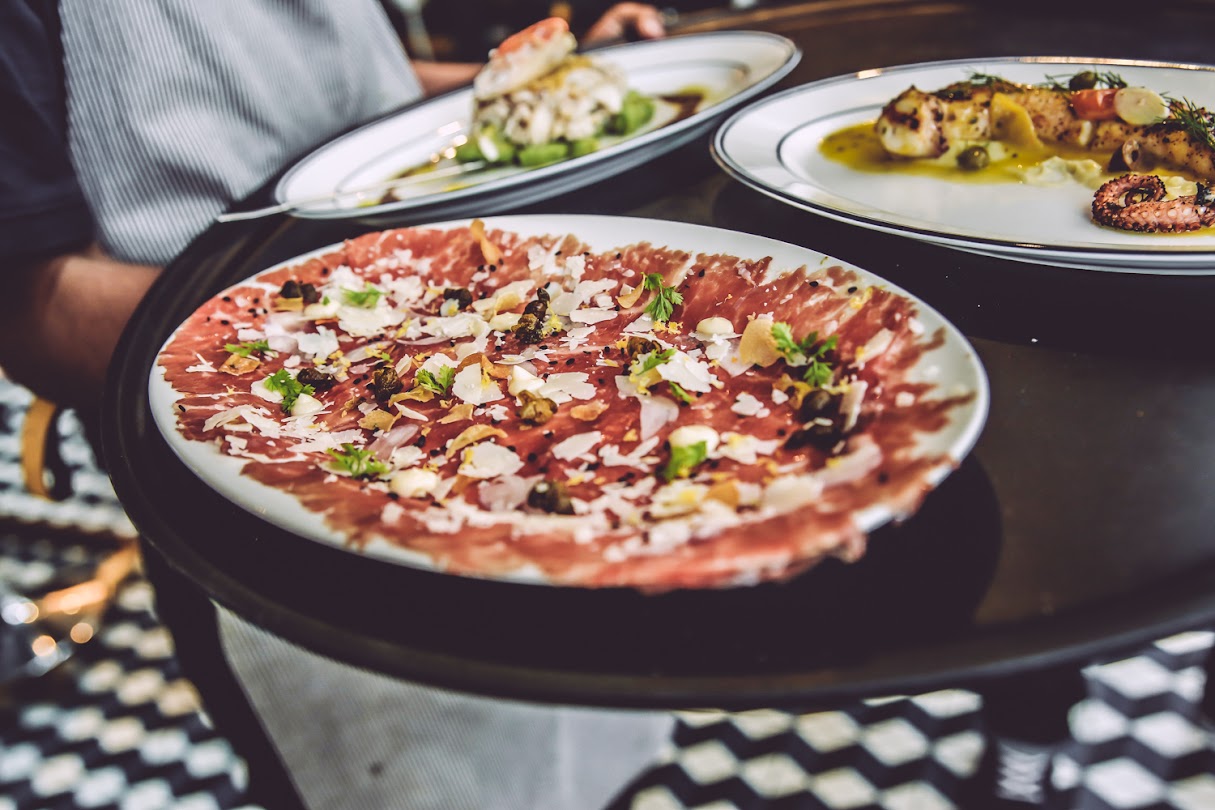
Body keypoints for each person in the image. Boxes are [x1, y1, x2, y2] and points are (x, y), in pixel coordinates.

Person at [1, 2, 674, 808]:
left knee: (593, 719)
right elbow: (34, 309)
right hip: (272, 484)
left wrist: (540, 85)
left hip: (524, 402)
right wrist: (386, 316)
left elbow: (362, 88)